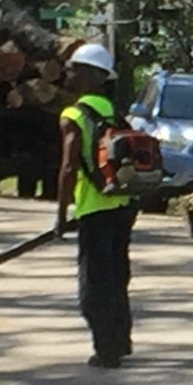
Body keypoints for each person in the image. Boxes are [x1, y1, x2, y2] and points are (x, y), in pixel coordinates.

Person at [55, 42, 137, 368]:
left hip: (94, 208)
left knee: (94, 282)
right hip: (123, 206)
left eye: (74, 68)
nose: (68, 73)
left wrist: (61, 215)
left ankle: (107, 350)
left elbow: (68, 167)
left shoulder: (74, 115)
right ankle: (121, 340)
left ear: (90, 75)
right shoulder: (115, 113)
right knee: (117, 276)